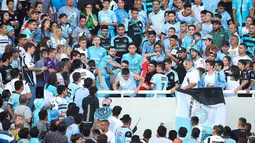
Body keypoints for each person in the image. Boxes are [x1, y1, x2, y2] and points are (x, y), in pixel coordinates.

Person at [22, 43, 47, 109]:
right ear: (29, 48)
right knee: (31, 100)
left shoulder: (29, 56)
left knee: (32, 100)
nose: (34, 50)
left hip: (32, 81)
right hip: (29, 82)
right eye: (33, 48)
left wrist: (39, 72)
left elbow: (29, 69)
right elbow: (30, 67)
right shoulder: (27, 56)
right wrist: (40, 68)